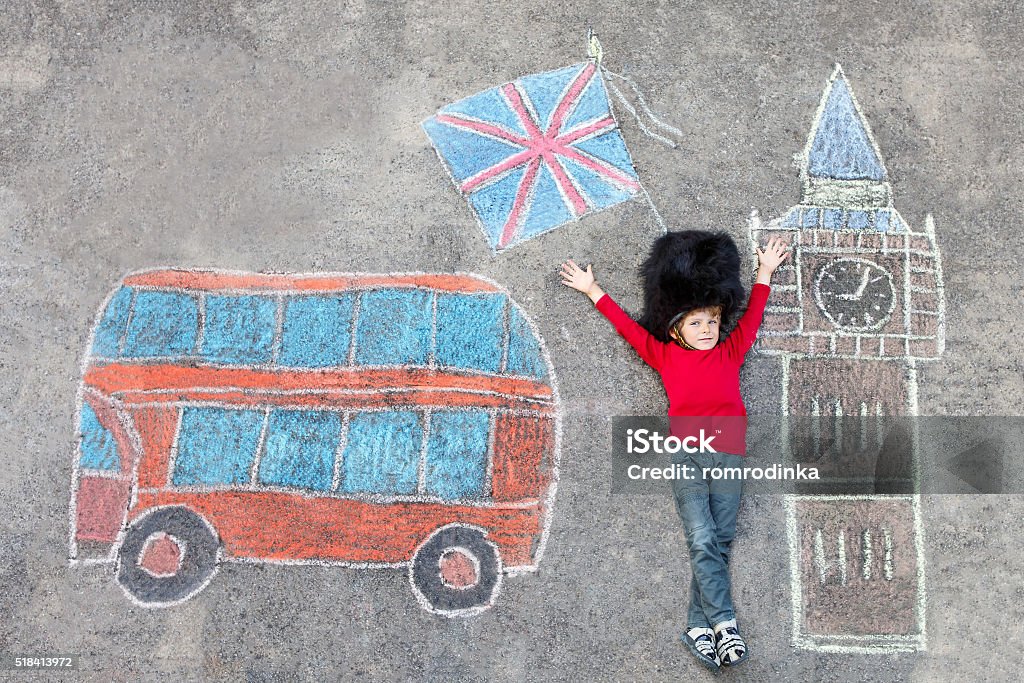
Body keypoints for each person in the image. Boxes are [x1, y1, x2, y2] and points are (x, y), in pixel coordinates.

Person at [560, 232, 789, 671]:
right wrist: (593, 290)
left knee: (718, 543)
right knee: (701, 538)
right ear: (676, 328)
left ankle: (696, 626)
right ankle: (724, 625)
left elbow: (754, 314)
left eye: (712, 322)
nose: (707, 330)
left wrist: (764, 272)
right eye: (696, 323)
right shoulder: (664, 356)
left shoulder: (731, 351)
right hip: (686, 455)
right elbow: (627, 328)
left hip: (729, 458)